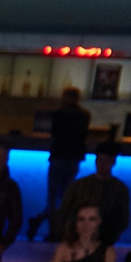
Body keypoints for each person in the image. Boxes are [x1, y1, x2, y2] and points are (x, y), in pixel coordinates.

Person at [41, 88, 93, 238]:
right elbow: (83, 135)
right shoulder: (84, 115)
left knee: (53, 196)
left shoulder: (59, 114)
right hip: (74, 158)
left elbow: (55, 134)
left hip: (58, 156)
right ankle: (65, 229)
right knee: (67, 196)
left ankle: (53, 230)